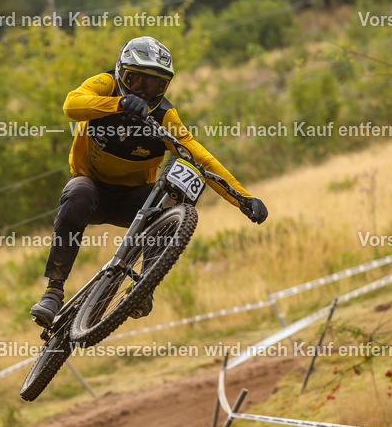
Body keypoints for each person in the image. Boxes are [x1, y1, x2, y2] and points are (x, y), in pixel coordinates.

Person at [30, 36, 268, 326]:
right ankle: (53, 292)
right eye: (136, 80)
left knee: (172, 201)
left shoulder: (165, 116)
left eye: (155, 85)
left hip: (133, 201)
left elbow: (201, 158)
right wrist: (119, 104)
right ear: (121, 73)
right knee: (78, 191)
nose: (144, 92)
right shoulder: (105, 85)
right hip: (92, 191)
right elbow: (71, 105)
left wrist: (242, 198)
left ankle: (143, 286)